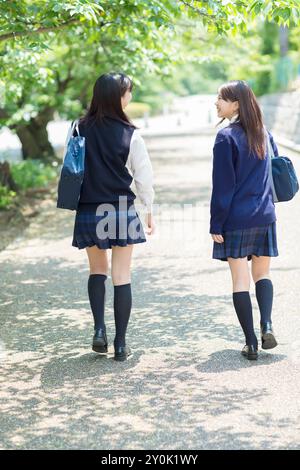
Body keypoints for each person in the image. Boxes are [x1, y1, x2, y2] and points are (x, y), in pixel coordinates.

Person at [71, 72, 155, 361]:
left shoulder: (79, 128)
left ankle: (98, 331)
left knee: (97, 271)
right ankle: (120, 343)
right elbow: (143, 177)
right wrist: (148, 209)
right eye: (128, 92)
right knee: (121, 275)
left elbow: (70, 168)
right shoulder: (131, 134)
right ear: (118, 97)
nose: (130, 97)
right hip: (120, 209)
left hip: (89, 209)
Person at [210, 80, 278, 360]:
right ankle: (267, 324)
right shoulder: (264, 132)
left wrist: (216, 223)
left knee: (240, 281)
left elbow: (223, 187)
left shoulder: (226, 137)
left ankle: (251, 343)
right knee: (262, 274)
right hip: (265, 215)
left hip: (236, 219)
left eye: (220, 99)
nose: (216, 103)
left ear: (235, 104)